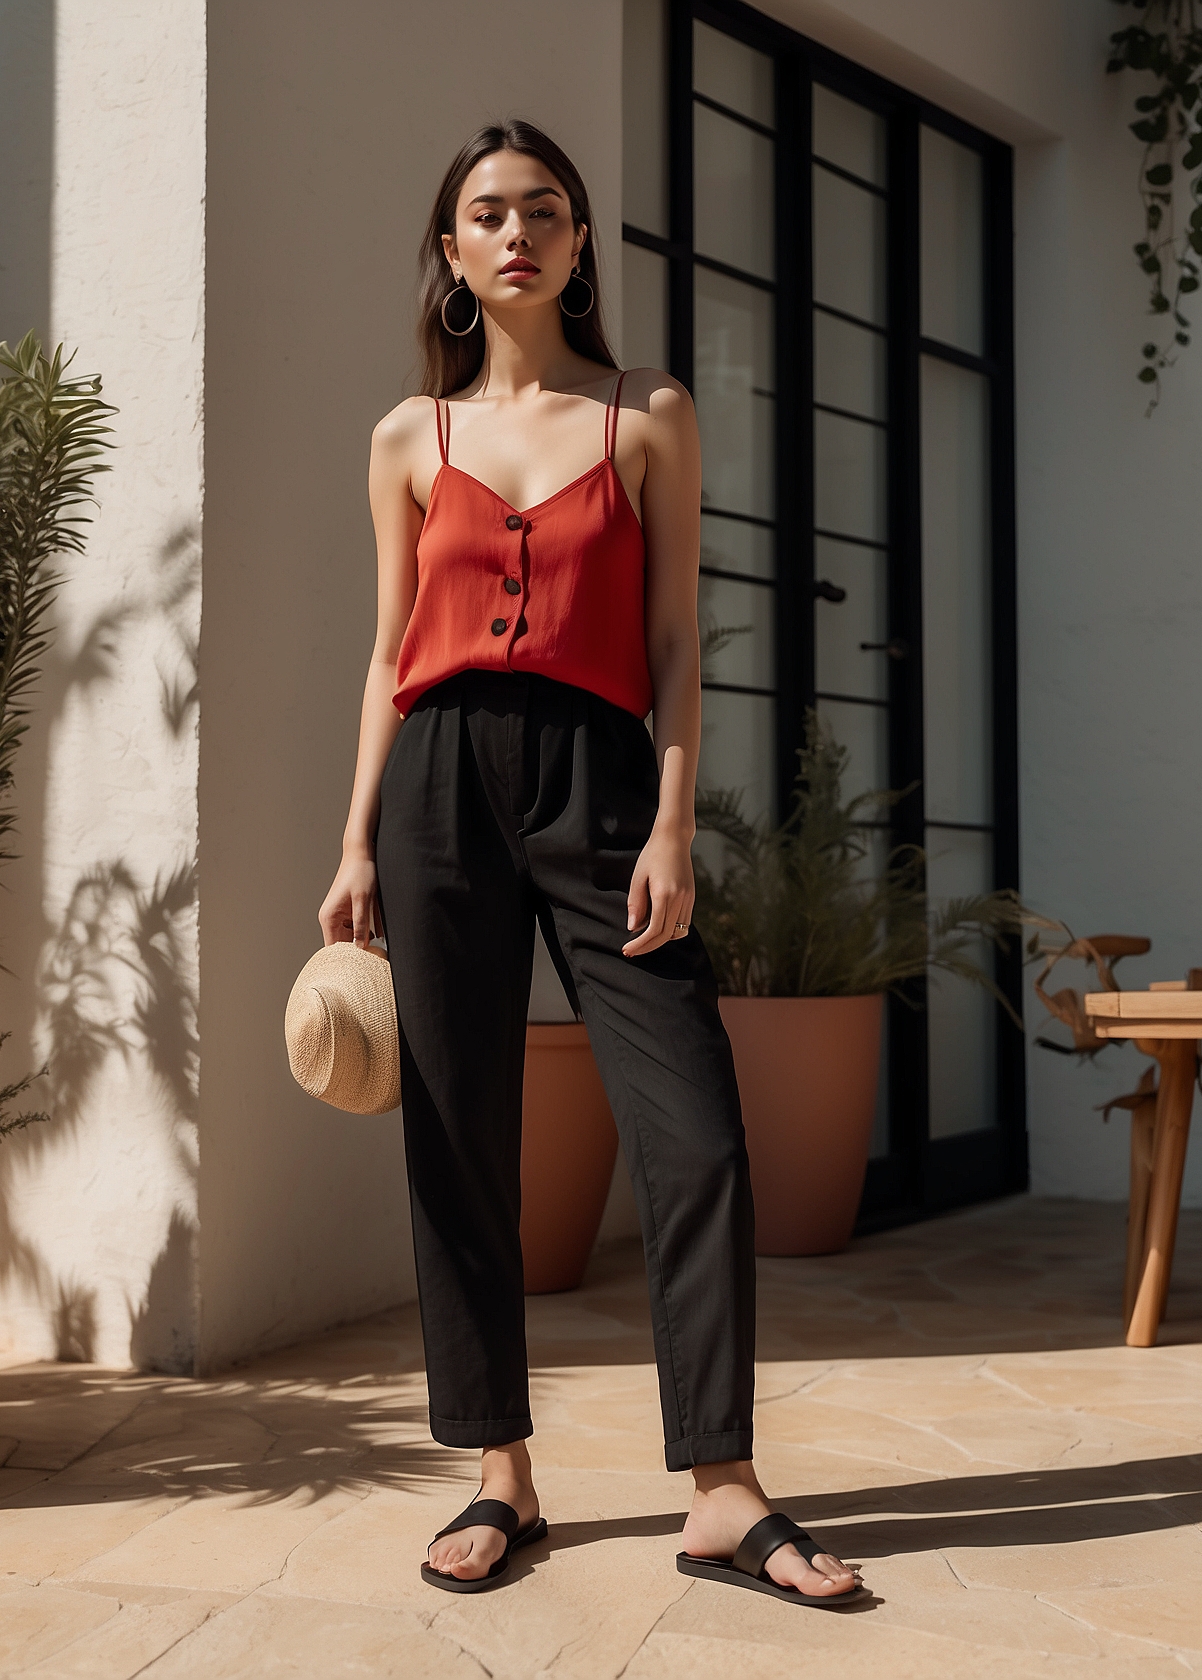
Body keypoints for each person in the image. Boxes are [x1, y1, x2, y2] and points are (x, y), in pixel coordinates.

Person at [319, 120, 864, 1610]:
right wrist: (356, 839)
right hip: (434, 785)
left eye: (543, 212)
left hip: (603, 784)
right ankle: (500, 1473)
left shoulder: (648, 414)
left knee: (692, 1128)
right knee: (457, 1133)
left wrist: (676, 821)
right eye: (486, 214)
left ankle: (723, 1489)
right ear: (451, 253)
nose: (516, 233)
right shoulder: (404, 439)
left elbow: (678, 642)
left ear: (576, 244)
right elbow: (385, 656)